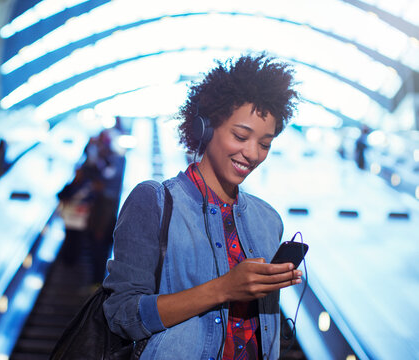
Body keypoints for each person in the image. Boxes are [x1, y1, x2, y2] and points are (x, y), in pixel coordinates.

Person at [102, 54, 302, 360]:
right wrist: (224, 288)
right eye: (240, 136)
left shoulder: (267, 220)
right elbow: (121, 315)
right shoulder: (153, 201)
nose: (252, 153)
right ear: (205, 129)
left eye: (265, 143)